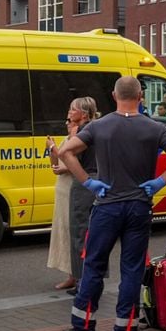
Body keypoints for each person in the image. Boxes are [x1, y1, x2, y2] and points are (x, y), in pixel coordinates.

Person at [59, 76, 166, 331]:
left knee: (94, 266)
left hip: (106, 204)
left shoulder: (100, 125)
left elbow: (66, 151)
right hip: (139, 206)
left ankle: (83, 330)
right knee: (132, 270)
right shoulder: (153, 127)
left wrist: (87, 181)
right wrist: (159, 182)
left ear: (114, 95)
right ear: (141, 96)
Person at [65, 97, 98, 295]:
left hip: (84, 181)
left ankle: (81, 282)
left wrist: (70, 137)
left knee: (79, 232)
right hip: (99, 180)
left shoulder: (82, 132)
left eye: (72, 109)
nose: (69, 113)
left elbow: (68, 157)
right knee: (95, 232)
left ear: (84, 114)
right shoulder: (99, 128)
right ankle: (95, 278)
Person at [45, 114, 78, 291]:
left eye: (70, 121)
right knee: (64, 232)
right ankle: (71, 275)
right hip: (63, 190)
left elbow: (73, 166)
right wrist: (52, 151)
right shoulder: (67, 140)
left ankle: (77, 276)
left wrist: (54, 148)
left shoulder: (81, 141)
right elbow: (56, 167)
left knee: (73, 233)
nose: (67, 124)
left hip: (73, 191)